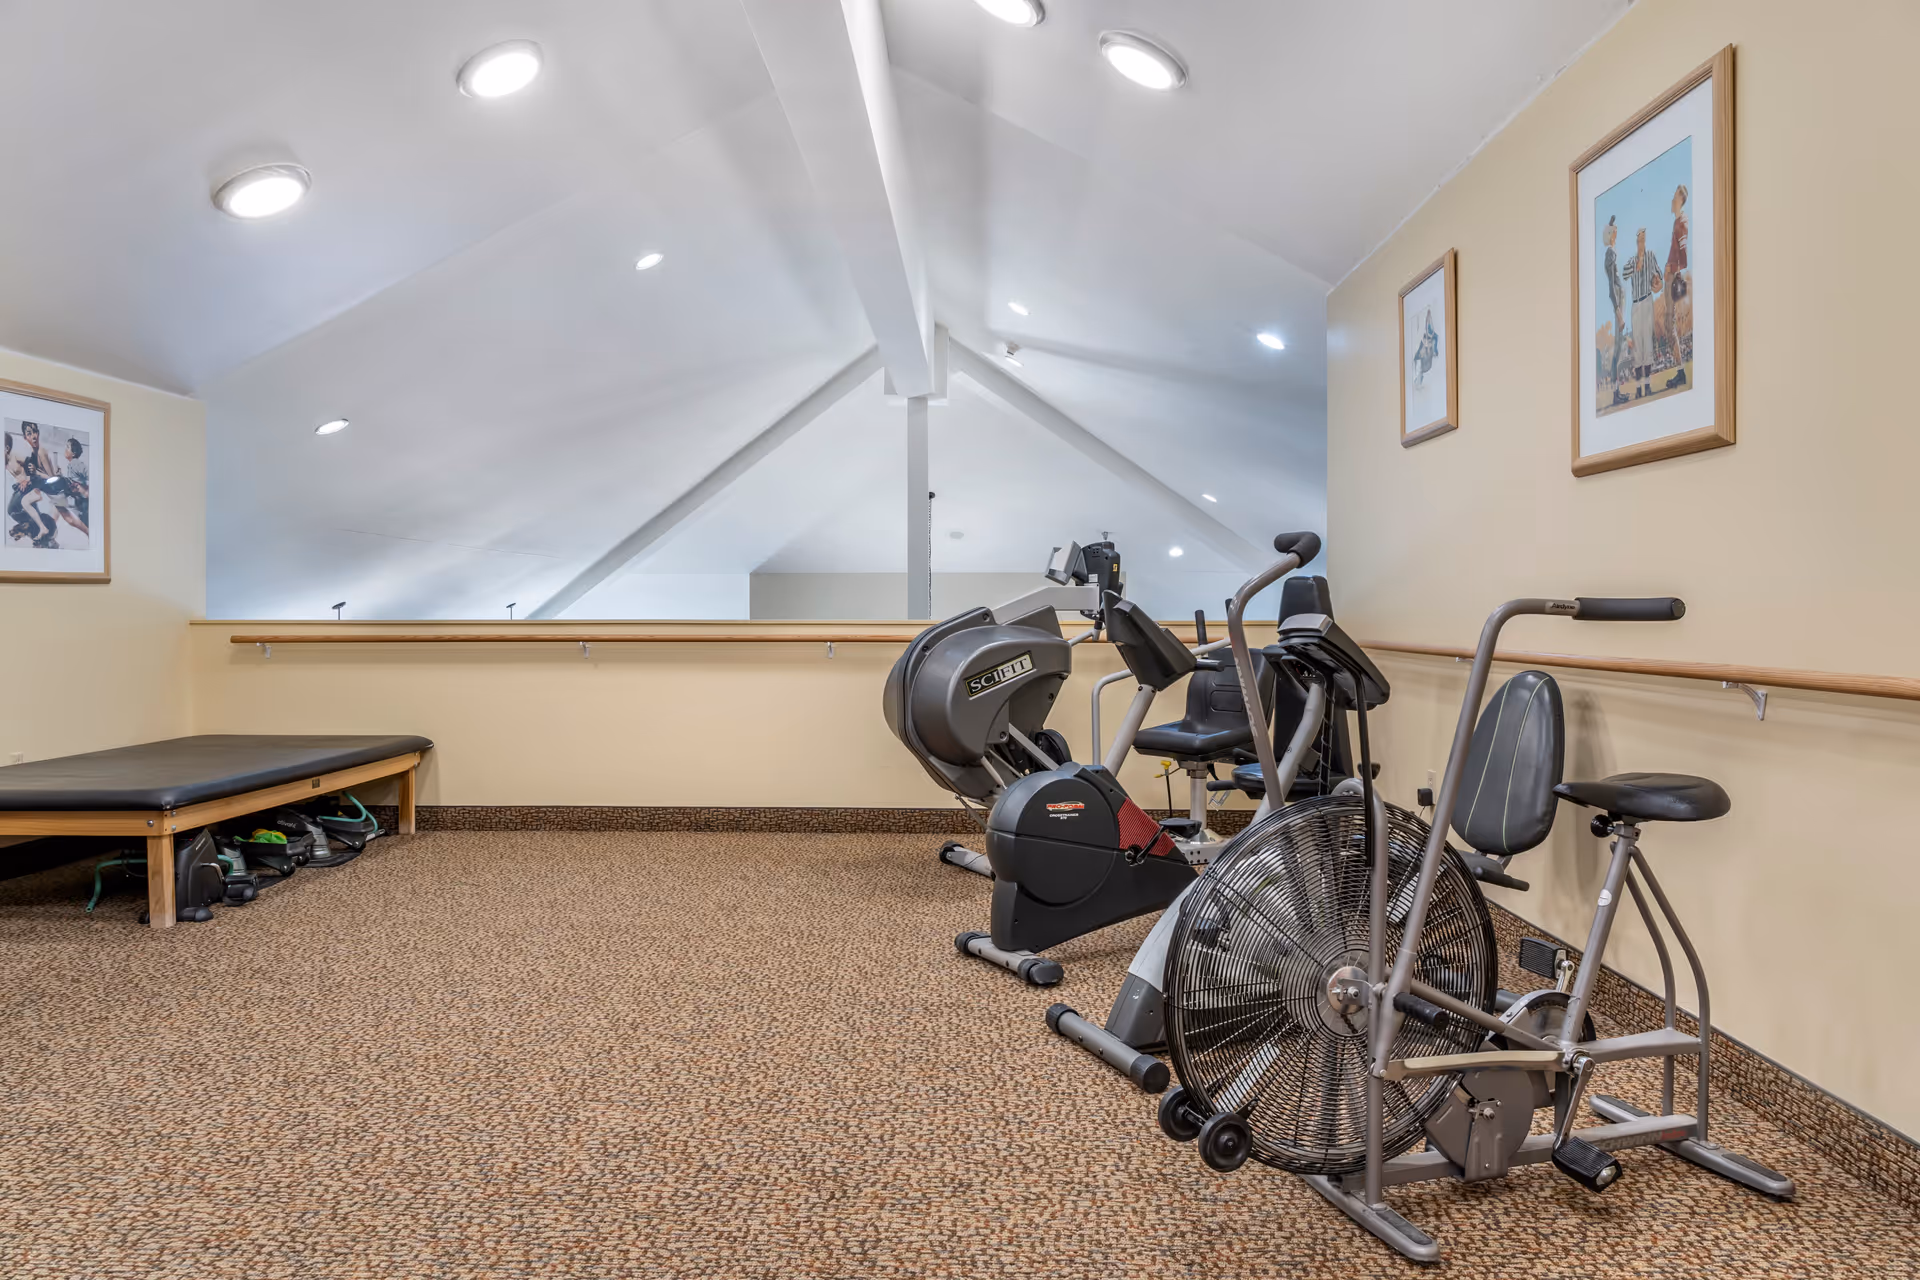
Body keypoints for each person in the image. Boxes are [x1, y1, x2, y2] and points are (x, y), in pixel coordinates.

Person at [1625, 226, 1663, 399]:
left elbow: (1659, 278)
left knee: (1647, 341)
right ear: (1636, 242)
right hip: (1635, 304)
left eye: (1643, 239)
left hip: (1647, 300)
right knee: (1638, 346)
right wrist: (1636, 265)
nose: (1642, 242)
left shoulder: (1651, 256)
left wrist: (1657, 283)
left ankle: (1647, 386)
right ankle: (1639, 388)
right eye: (1639, 240)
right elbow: (1624, 274)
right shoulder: (1633, 260)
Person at [6, 428, 57, 547]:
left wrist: (27, 479)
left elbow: (32, 464)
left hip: (28, 488)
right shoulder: (4, 461)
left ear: (6, 449)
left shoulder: (14, 456)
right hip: (20, 489)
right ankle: (43, 536)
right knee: (17, 512)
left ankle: (43, 533)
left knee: (14, 509)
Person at [1661, 184, 1690, 389]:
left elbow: (1684, 257)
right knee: (1669, 325)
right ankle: (1680, 371)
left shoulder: (1681, 223)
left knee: (1670, 325)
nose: (1672, 200)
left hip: (1672, 277)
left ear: (1680, 199)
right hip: (1670, 275)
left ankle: (1681, 373)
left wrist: (1672, 270)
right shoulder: (1676, 222)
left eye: (1674, 197)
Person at [1603, 216, 1627, 405]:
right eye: (1614, 231)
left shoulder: (1612, 252)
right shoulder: (1610, 254)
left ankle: (1616, 392)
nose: (1616, 233)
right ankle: (1615, 393)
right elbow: (1611, 287)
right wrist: (1618, 312)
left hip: (1620, 297)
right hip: (1618, 298)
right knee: (1617, 350)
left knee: (1619, 349)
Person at [1410, 306, 1439, 388]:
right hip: (1422, 358)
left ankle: (1418, 382)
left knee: (1420, 368)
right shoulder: (1426, 340)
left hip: (1424, 360)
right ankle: (1417, 382)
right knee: (1419, 369)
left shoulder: (1432, 338)